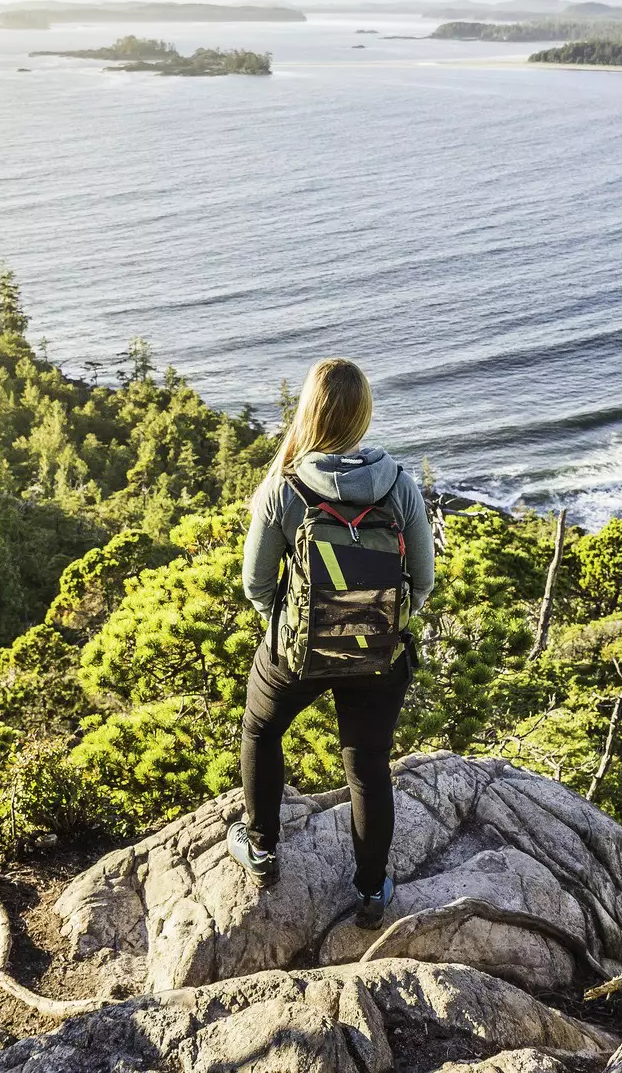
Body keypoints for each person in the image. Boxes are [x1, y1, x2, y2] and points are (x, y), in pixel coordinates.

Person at [230, 357, 434, 927]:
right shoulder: (400, 487)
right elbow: (423, 581)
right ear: (363, 414)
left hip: (295, 656)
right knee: (367, 766)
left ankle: (262, 851)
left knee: (261, 731)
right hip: (377, 655)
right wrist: (377, 622)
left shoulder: (283, 488)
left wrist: (296, 624)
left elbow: (256, 584)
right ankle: (372, 893)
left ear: (310, 411)